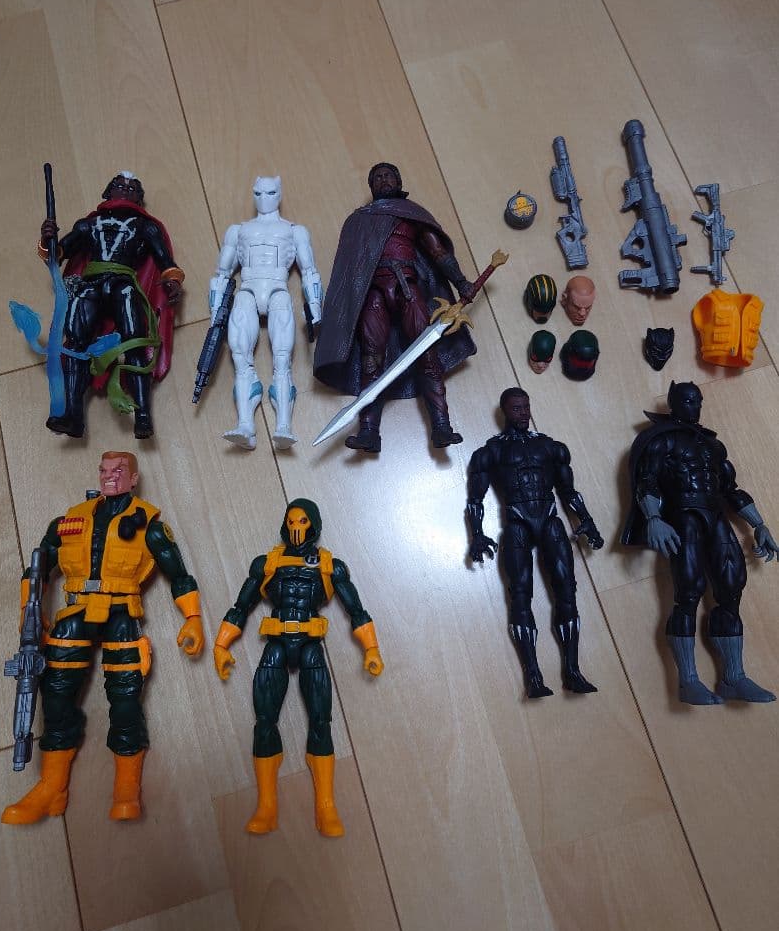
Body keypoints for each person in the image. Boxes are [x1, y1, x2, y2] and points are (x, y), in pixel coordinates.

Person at [1, 451, 203, 824]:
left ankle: (127, 788)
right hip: (75, 614)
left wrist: (192, 617)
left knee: (125, 700)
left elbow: (178, 573)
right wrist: (28, 611)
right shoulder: (68, 521)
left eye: (119, 471)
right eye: (105, 470)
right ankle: (52, 787)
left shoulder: (149, 525)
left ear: (134, 478)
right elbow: (38, 567)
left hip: (121, 614)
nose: (110, 476)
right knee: (55, 694)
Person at [213, 499, 383, 836]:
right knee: (264, 721)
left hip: (310, 645)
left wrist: (371, 648)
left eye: (303, 521)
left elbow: (356, 609)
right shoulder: (267, 563)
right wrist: (221, 644)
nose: (296, 527)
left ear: (313, 525)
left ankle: (326, 806)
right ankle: (266, 806)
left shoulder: (330, 566)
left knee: (321, 721)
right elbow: (241, 605)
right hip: (276, 644)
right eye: (291, 521)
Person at [622, 381, 777, 704]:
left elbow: (731, 488)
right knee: (689, 591)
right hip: (683, 517)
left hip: (715, 515)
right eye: (688, 400)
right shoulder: (661, 440)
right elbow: (646, 481)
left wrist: (759, 524)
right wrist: (653, 518)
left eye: (698, 400)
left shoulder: (712, 445)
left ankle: (734, 677)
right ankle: (688, 681)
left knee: (731, 588)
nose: (695, 406)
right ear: (674, 403)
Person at [313, 163, 476, 453]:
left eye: (388, 175)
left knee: (426, 353)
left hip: (407, 288)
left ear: (399, 181)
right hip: (372, 292)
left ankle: (442, 427)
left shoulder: (411, 214)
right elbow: (347, 271)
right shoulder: (359, 220)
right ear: (371, 186)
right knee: (370, 359)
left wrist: (461, 281)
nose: (383, 180)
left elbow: (437, 252)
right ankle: (368, 432)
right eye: (377, 177)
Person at [466, 388, 603, 698]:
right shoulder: (491, 452)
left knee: (567, 591)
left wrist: (587, 520)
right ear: (505, 411)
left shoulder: (550, 448)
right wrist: (476, 534)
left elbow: (569, 491)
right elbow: (475, 498)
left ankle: (572, 671)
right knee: (520, 595)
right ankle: (533, 676)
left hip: (550, 520)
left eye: (526, 406)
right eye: (517, 408)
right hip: (516, 525)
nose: (523, 413)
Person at [40, 172, 183, 439]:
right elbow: (57, 255)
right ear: (108, 192)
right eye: (119, 185)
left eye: (132, 188)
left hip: (122, 284)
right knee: (75, 345)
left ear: (138, 198)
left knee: (135, 342)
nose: (125, 189)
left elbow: (165, 261)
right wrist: (47, 240)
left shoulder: (145, 227)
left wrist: (172, 280)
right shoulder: (88, 225)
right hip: (91, 285)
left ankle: (143, 415)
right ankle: (72, 414)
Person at [209, 176, 322, 449]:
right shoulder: (238, 230)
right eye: (258, 193)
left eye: (270, 192)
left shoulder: (294, 231)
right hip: (246, 291)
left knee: (282, 360)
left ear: (279, 194)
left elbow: (309, 271)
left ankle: (284, 427)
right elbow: (222, 273)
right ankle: (245, 425)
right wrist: (215, 311)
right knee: (240, 357)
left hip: (278, 290)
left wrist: (315, 307)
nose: (264, 198)